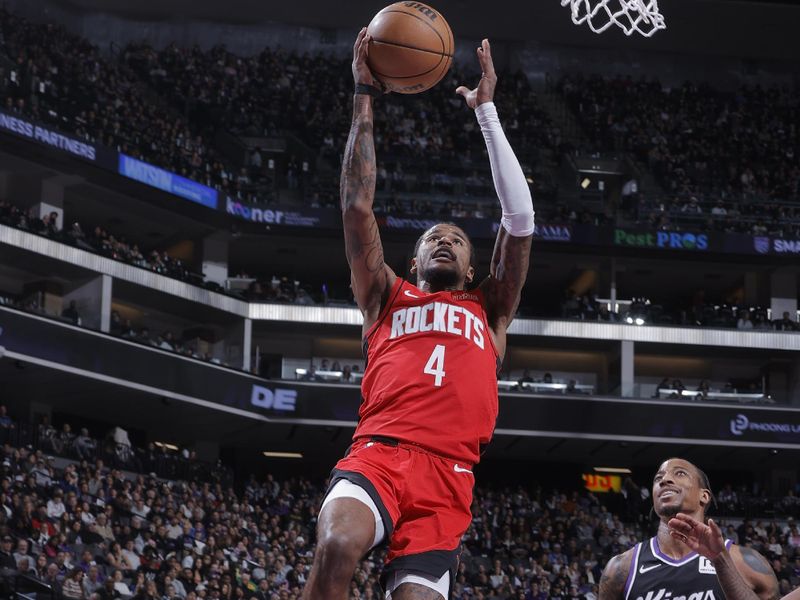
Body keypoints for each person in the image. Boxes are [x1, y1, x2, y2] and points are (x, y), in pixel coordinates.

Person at [302, 30, 533, 600]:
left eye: (457, 239)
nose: (447, 242)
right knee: (336, 547)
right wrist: (363, 94)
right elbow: (357, 206)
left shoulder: (490, 310)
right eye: (435, 238)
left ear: (475, 267)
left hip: (448, 479)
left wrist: (487, 115)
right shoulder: (385, 295)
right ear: (414, 258)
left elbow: (521, 218)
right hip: (379, 453)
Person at [598, 458, 778, 600]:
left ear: (704, 495)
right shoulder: (621, 567)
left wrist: (722, 563)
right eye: (658, 478)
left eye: (680, 473)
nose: (665, 480)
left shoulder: (746, 562)